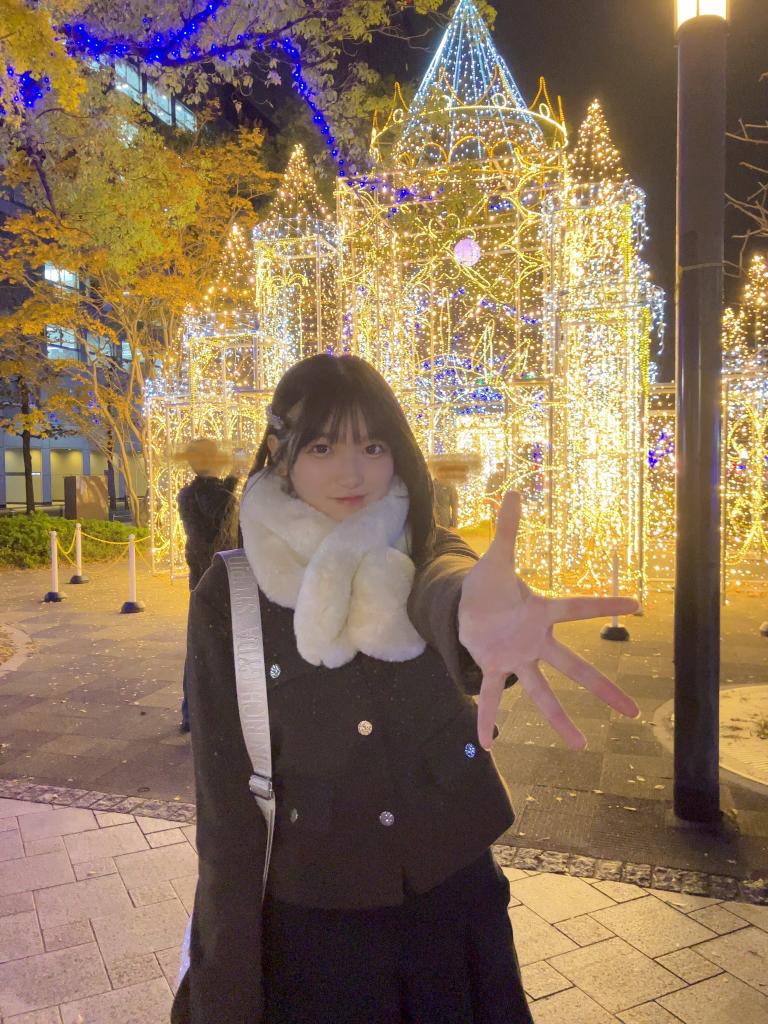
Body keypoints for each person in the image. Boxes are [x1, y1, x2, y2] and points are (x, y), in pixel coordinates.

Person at [172, 354, 639, 1024]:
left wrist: (475, 610)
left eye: (373, 446)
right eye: (323, 447)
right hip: (317, 923)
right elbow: (224, 809)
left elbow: (448, 584)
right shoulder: (233, 594)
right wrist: (225, 983)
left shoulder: (424, 549)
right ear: (278, 450)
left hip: (454, 905)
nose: (353, 473)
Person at [174, 438, 239, 732]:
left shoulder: (188, 493)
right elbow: (219, 513)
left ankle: (191, 712)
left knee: (199, 644)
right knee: (219, 644)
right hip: (218, 576)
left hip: (199, 576)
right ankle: (207, 712)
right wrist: (234, 478)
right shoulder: (211, 493)